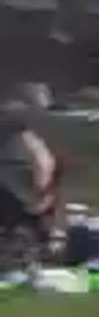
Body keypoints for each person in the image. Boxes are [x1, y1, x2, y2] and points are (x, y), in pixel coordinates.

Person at [0, 113, 59, 279]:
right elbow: (44, 163)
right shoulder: (23, 135)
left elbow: (44, 164)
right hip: (20, 195)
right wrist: (43, 192)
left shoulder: (17, 133)